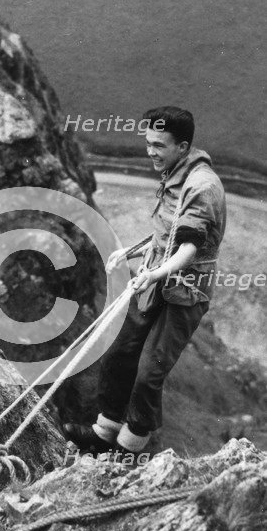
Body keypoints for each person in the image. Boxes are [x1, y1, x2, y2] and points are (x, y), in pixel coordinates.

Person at [63, 106, 226, 458]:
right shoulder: (174, 171)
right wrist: (131, 252)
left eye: (159, 145)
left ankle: (130, 447)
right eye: (148, 143)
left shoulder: (202, 187)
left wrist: (153, 273)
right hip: (156, 276)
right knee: (119, 353)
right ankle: (105, 431)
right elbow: (165, 234)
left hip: (184, 290)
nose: (150, 151)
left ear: (182, 147)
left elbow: (188, 246)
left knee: (148, 373)